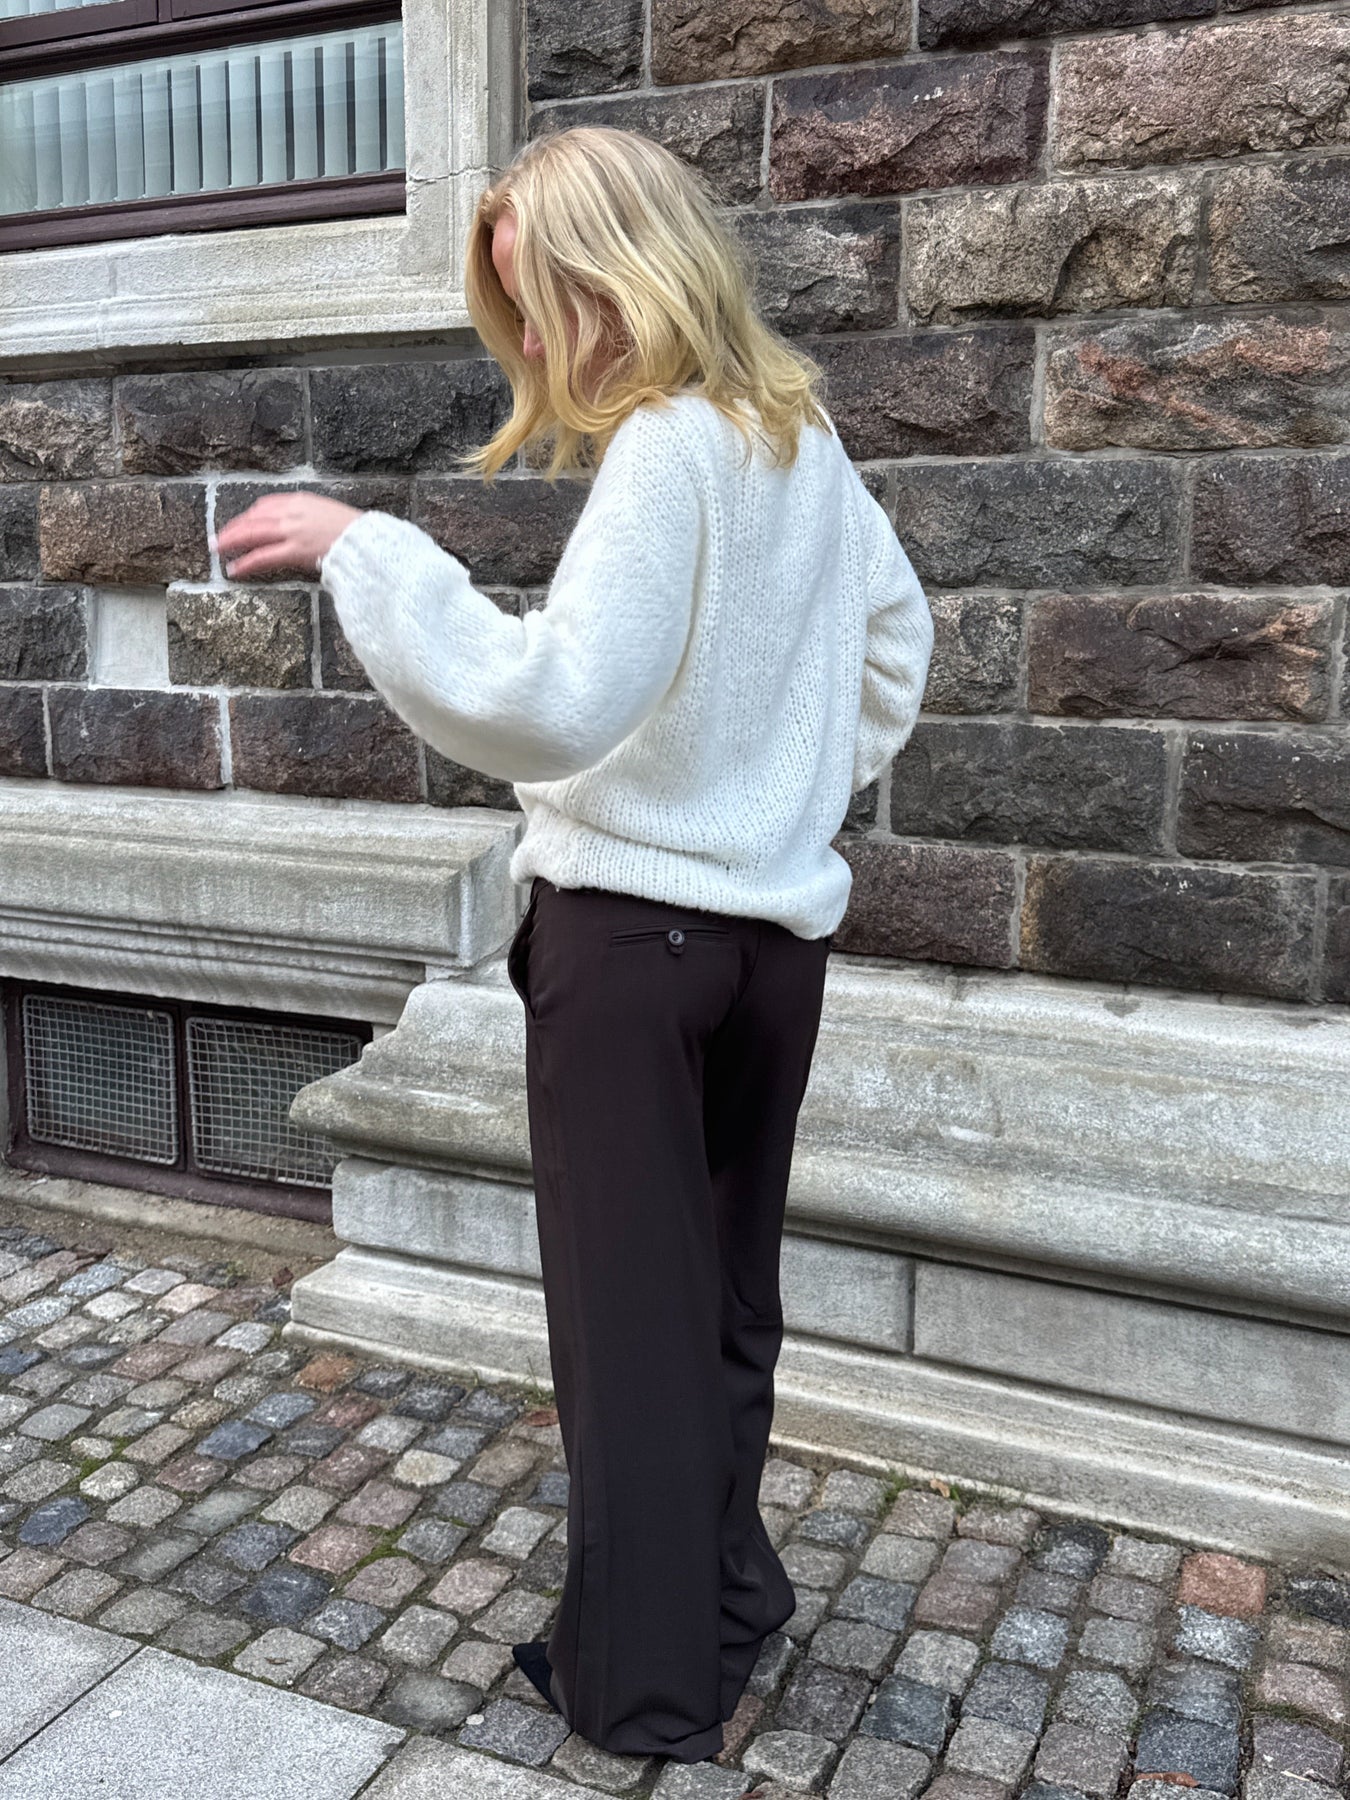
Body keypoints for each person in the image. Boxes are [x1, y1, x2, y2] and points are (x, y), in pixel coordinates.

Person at [211, 123, 934, 1765]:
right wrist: (780, 791)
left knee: (629, 1335)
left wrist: (364, 547)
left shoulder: (669, 445)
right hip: (770, 947)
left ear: (618, 275)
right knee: (723, 1300)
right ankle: (726, 1597)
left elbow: (548, 701)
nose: (529, 338)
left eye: (536, 296)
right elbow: (896, 641)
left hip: (628, 951)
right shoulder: (794, 433)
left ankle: (645, 1688)